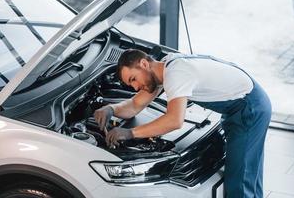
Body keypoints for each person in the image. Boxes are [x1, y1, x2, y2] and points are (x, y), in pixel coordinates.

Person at [94, 49, 272, 198]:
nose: (134, 87)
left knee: (239, 182)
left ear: (144, 64)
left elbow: (174, 120)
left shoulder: (176, 73)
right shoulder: (163, 68)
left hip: (249, 109)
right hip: (239, 106)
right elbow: (134, 105)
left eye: (133, 79)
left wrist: (129, 133)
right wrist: (110, 109)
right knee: (249, 174)